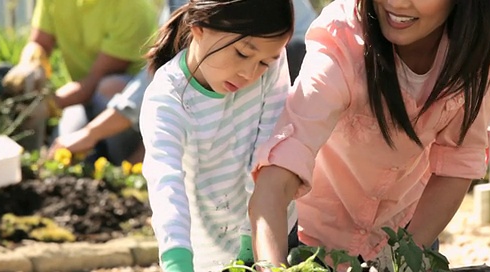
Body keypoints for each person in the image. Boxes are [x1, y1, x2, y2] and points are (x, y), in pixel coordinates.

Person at [248, 0, 490, 272]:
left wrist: (405, 258)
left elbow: (459, 158)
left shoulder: (482, 41)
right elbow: (280, 171)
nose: (396, 3)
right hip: (305, 240)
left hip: (410, 230)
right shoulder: (341, 38)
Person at [139, 0, 297, 272]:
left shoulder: (271, 70)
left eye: (264, 62)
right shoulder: (167, 99)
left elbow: (267, 155)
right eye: (242, 53)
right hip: (203, 252)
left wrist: (249, 252)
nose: (250, 73)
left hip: (269, 240)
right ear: (199, 28)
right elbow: (167, 188)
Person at [48, 0, 318, 165]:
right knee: (117, 89)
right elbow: (163, 74)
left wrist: (90, 134)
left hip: (294, 67)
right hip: (228, 74)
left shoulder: (264, 61)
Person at [1, 0, 158, 155]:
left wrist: (49, 105)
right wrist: (30, 63)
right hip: (81, 100)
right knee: (60, 150)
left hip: (127, 108)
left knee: (109, 87)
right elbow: (40, 42)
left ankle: (125, 165)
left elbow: (96, 80)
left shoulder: (133, 7)